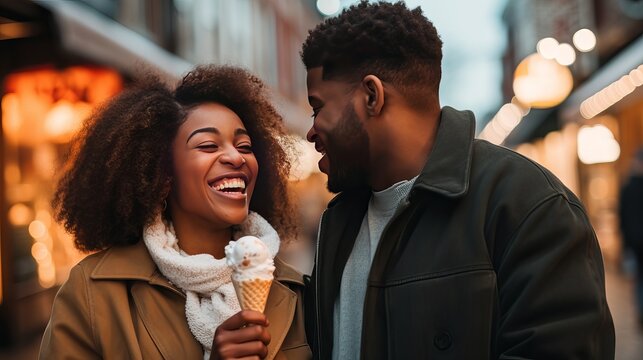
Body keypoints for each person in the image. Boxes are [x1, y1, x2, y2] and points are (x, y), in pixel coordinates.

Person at [300, 1, 615, 359]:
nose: (311, 131)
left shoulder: (528, 205)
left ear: (372, 96)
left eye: (317, 107)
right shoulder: (339, 221)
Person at [39, 65, 311, 359]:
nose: (235, 157)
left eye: (244, 145)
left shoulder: (296, 292)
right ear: (162, 175)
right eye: (208, 145)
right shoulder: (92, 293)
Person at [619, 148, 643, 325]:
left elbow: (622, 218)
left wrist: (625, 244)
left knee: (639, 278)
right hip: (636, 241)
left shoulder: (627, 187)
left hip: (634, 242)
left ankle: (641, 313)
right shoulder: (629, 187)